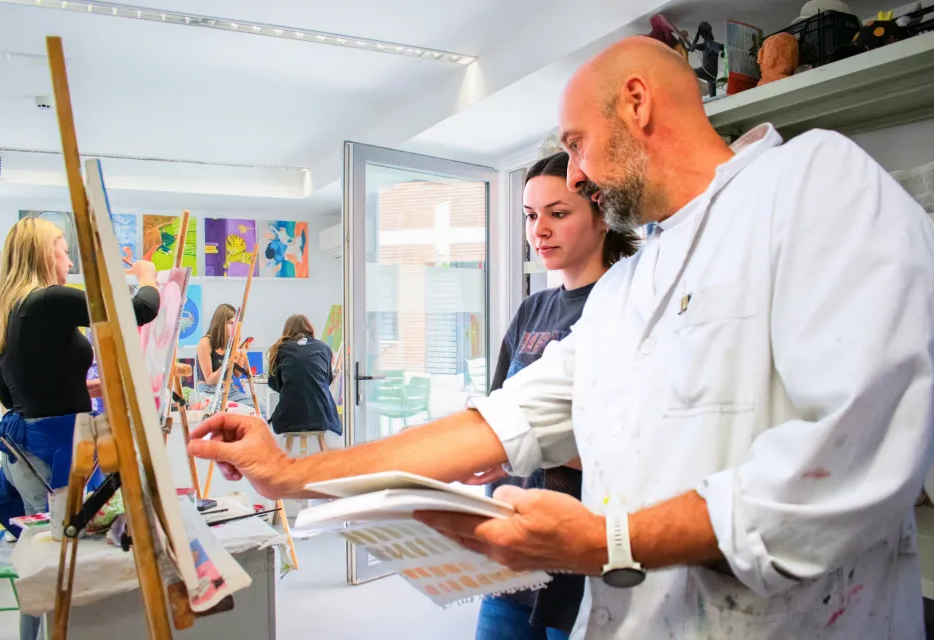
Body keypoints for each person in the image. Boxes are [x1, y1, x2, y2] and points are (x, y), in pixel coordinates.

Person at [188, 36, 934, 639]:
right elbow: (501, 420)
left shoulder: (810, 182)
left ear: (636, 104)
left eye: (577, 145)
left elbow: (849, 450)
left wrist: (608, 541)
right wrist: (289, 475)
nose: (577, 174)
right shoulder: (624, 290)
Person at [473, 151, 636, 640]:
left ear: (602, 214)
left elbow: (633, 448)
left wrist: (532, 443)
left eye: (557, 213)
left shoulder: (628, 305)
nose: (538, 230)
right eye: (530, 215)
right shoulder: (533, 309)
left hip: (582, 562)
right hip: (512, 554)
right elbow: (498, 416)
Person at [0, 217, 159, 640]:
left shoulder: (12, 308)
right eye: (64, 249)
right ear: (46, 253)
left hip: (26, 455)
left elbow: (13, 397)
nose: (68, 259)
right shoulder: (48, 300)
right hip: (57, 456)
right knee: (66, 562)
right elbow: (140, 309)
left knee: (46, 561)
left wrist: (78, 386)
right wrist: (148, 275)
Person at [266, 314, 341, 436]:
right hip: (323, 417)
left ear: (287, 330)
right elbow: (327, 381)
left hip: (289, 418)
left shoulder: (280, 349)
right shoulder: (324, 348)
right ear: (310, 328)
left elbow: (276, 384)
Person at [195, 303, 254, 408]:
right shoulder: (205, 342)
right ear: (221, 323)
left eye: (235, 323)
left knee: (261, 409)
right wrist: (227, 363)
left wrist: (242, 354)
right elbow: (209, 380)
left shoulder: (231, 342)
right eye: (231, 323)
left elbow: (237, 374)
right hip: (210, 391)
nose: (234, 327)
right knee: (221, 412)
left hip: (230, 390)